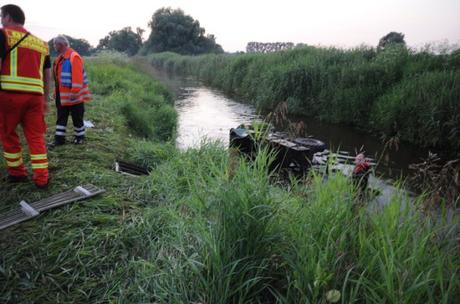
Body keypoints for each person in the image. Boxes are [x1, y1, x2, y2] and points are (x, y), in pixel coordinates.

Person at [0, 4, 51, 188]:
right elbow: (47, 74)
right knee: (36, 137)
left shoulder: (3, 34)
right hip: (35, 97)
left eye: (1, 16)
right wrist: (46, 98)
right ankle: (42, 178)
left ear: (8, 17)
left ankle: (17, 173)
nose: (1, 20)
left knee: (8, 133)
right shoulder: (41, 43)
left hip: (9, 95)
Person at [52, 35, 91, 146]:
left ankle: (80, 138)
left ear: (61, 45)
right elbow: (58, 79)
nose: (54, 46)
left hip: (74, 95)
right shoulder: (59, 59)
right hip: (62, 96)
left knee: (77, 118)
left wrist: (74, 91)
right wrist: (56, 92)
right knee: (61, 118)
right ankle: (59, 140)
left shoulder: (74, 57)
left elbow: (77, 76)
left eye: (55, 44)